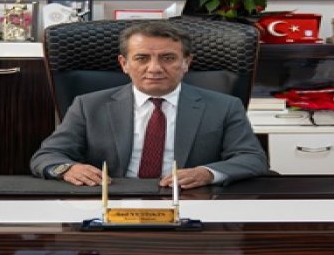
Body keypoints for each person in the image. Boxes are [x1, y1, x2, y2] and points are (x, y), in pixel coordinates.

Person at [29, 22, 268, 189]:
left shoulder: (224, 106)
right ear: (124, 63)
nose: (154, 68)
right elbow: (47, 156)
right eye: (142, 58)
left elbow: (252, 158)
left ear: (186, 63)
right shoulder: (89, 105)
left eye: (168, 58)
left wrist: (207, 174)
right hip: (112, 198)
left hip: (190, 198)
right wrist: (68, 169)